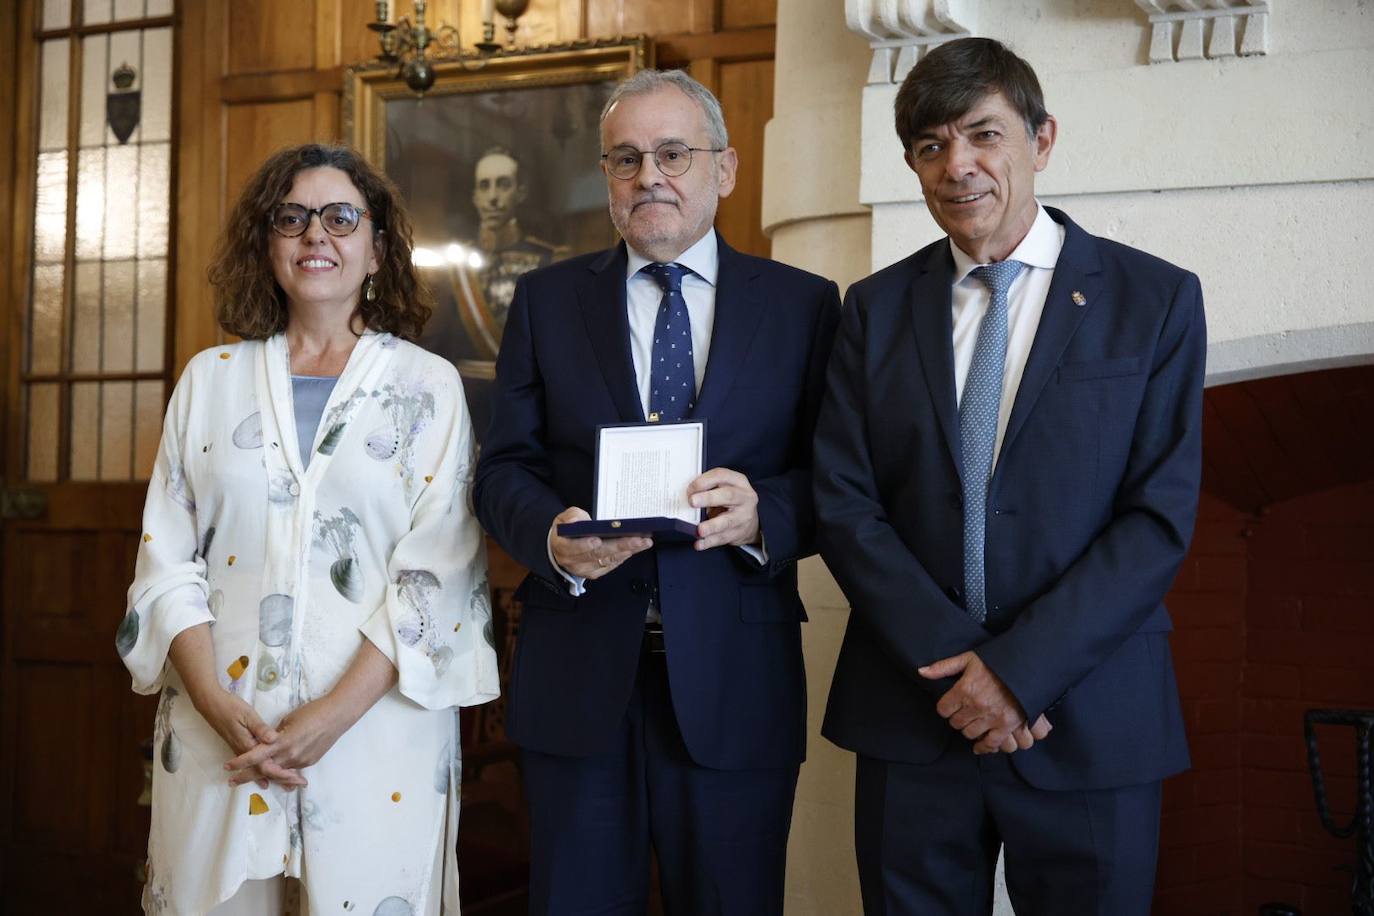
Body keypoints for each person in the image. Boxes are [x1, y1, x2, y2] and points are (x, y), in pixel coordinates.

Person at [813, 38, 1205, 914]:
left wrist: (1018, 675)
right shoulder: (873, 309)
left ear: (1042, 138)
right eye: (931, 146)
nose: (960, 167)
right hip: (914, 713)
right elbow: (844, 502)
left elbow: (1158, 519)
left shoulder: (1156, 300)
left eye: (984, 134)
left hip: (1087, 716)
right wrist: (961, 672)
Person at [473, 69, 840, 915]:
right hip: (578, 675)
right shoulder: (546, 301)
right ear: (606, 176)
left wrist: (764, 513)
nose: (651, 176)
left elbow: (841, 480)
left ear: (725, 168)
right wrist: (551, 537)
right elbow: (502, 470)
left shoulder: (803, 306)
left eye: (674, 153)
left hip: (736, 680)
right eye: (627, 158)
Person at [118, 143, 499, 915]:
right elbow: (166, 561)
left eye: (339, 217)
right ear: (267, 245)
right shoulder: (208, 382)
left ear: (377, 248)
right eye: (291, 219)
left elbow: (438, 573)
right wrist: (217, 703)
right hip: (222, 731)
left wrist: (328, 717)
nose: (315, 235)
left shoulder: (428, 388)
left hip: (373, 727)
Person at [467, 146, 567, 323]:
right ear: (475, 198)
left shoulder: (548, 260)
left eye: (503, 185)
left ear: (520, 194)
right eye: (484, 186)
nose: (492, 197)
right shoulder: (459, 266)